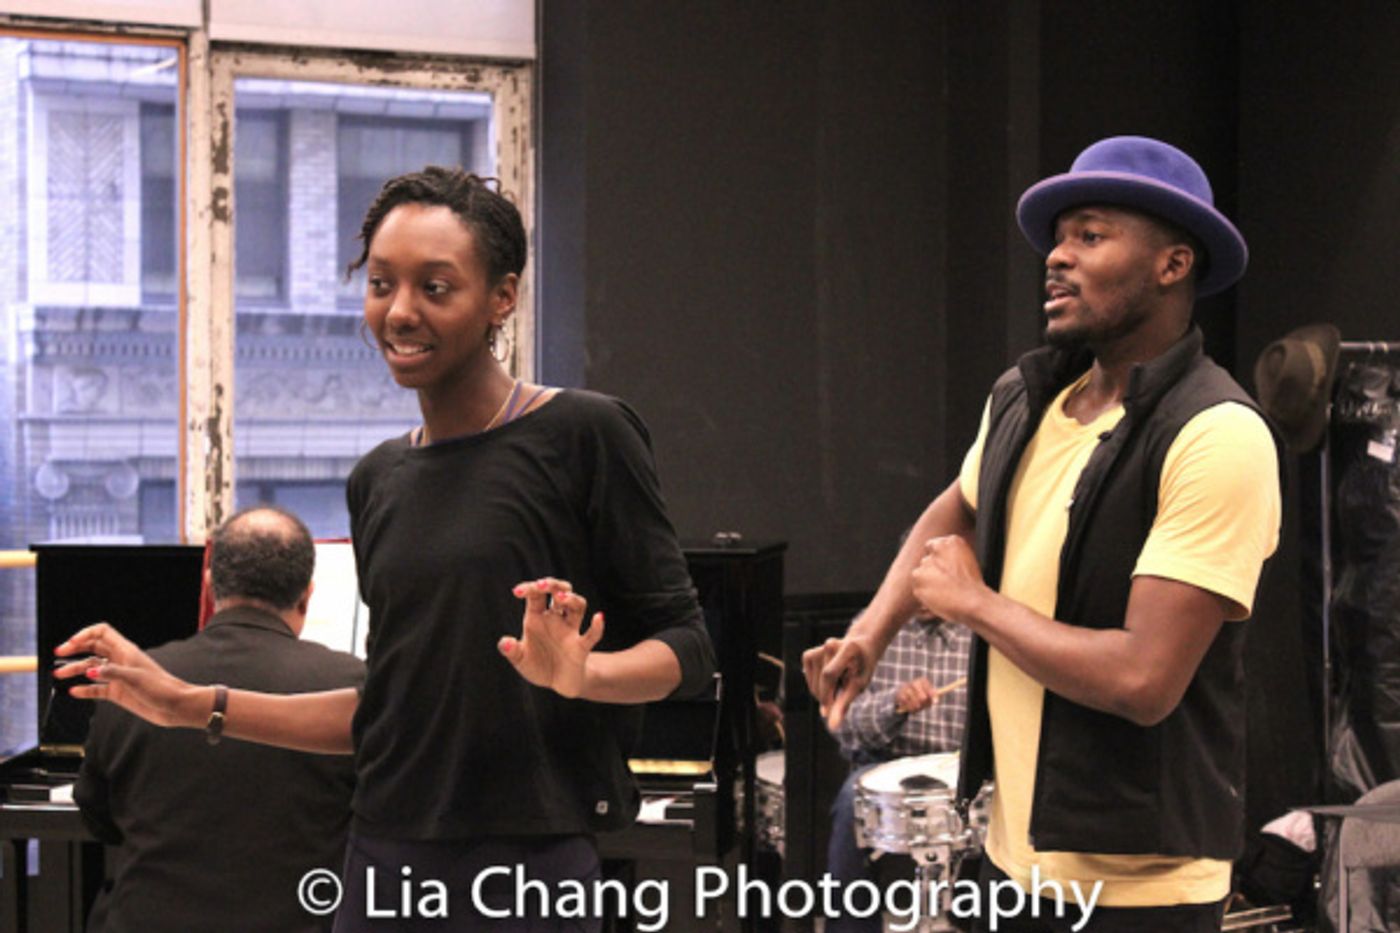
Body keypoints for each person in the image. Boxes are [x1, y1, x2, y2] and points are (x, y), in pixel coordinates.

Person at [57, 166, 715, 933]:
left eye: (435, 287)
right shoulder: (378, 477)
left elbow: (689, 648)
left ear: (502, 296)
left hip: (528, 864)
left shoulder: (583, 433)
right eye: (380, 284)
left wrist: (583, 675)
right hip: (380, 858)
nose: (399, 311)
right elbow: (386, 711)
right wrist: (185, 703)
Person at [803, 136, 1282, 932]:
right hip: (1010, 858)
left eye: (1090, 236)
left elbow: (1143, 679)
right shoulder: (1025, 399)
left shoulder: (1217, 433)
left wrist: (975, 604)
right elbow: (954, 507)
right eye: (1058, 239)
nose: (1056, 258)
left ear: (1172, 264)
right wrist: (872, 632)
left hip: (1138, 892)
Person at [75, 505, 366, 933]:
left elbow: (98, 815)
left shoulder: (136, 682)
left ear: (210, 588)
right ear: (307, 595)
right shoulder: (353, 688)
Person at [826, 613, 971, 933]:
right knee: (850, 803)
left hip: (961, 765)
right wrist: (893, 704)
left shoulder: (981, 630)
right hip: (887, 762)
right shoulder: (873, 629)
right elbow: (845, 726)